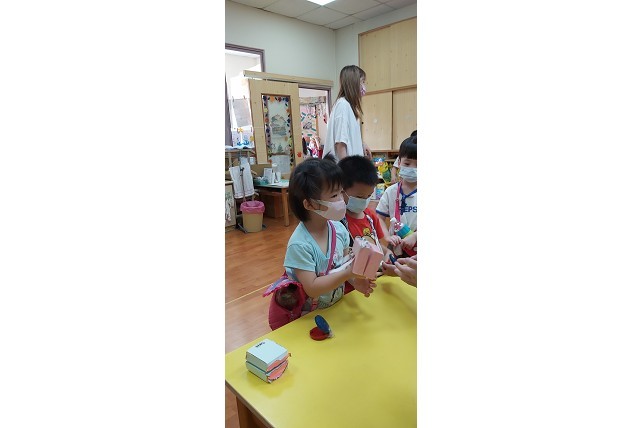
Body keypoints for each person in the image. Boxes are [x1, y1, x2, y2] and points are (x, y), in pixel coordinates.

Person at [282, 157, 376, 316]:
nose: (342, 200)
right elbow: (312, 288)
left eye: (341, 192)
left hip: (336, 309)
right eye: (334, 196)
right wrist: (347, 273)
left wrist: (355, 281)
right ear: (309, 204)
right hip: (309, 316)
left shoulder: (339, 229)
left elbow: (344, 265)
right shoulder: (299, 245)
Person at [336, 155, 402, 288]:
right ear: (340, 190)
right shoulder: (336, 222)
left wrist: (387, 254)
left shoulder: (370, 216)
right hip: (349, 287)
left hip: (373, 281)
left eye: (368, 196)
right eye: (359, 196)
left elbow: (378, 245)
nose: (364, 200)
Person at [377, 135, 417, 265]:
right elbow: (379, 218)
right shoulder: (391, 191)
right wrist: (387, 237)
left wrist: (415, 236)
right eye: (407, 163)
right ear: (399, 162)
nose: (412, 168)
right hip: (395, 248)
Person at [322, 65, 371, 162]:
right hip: (343, 168)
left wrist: (362, 144)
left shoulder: (348, 106)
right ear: (354, 83)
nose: (364, 86)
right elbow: (341, 143)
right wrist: (347, 168)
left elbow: (348, 138)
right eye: (362, 82)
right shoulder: (343, 105)